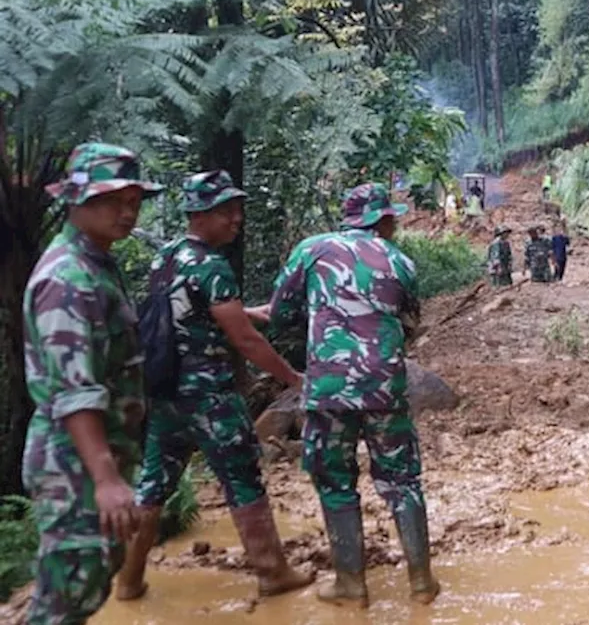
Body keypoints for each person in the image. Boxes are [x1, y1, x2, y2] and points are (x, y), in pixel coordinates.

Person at [115, 171, 313, 602]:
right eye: (227, 211)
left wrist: (248, 311)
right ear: (201, 214)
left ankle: (128, 580)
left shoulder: (164, 258)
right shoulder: (211, 265)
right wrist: (292, 378)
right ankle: (272, 572)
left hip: (166, 394)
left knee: (153, 484)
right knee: (243, 478)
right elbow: (244, 340)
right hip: (211, 397)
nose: (237, 219)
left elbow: (190, 317)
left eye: (237, 209)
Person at [254, 183, 438, 608]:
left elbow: (279, 315)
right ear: (382, 220)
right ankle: (422, 583)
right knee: (402, 480)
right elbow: (411, 318)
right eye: (392, 218)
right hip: (385, 386)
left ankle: (351, 585)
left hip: (329, 387)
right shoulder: (401, 261)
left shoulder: (313, 249)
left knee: (335, 480)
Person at [22, 143, 162, 624]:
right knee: (67, 594)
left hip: (93, 457)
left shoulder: (97, 263)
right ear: (76, 200)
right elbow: (72, 387)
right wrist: (104, 478)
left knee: (89, 580)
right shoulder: (69, 278)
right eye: (112, 200)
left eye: (134, 201)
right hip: (74, 466)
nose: (127, 212)